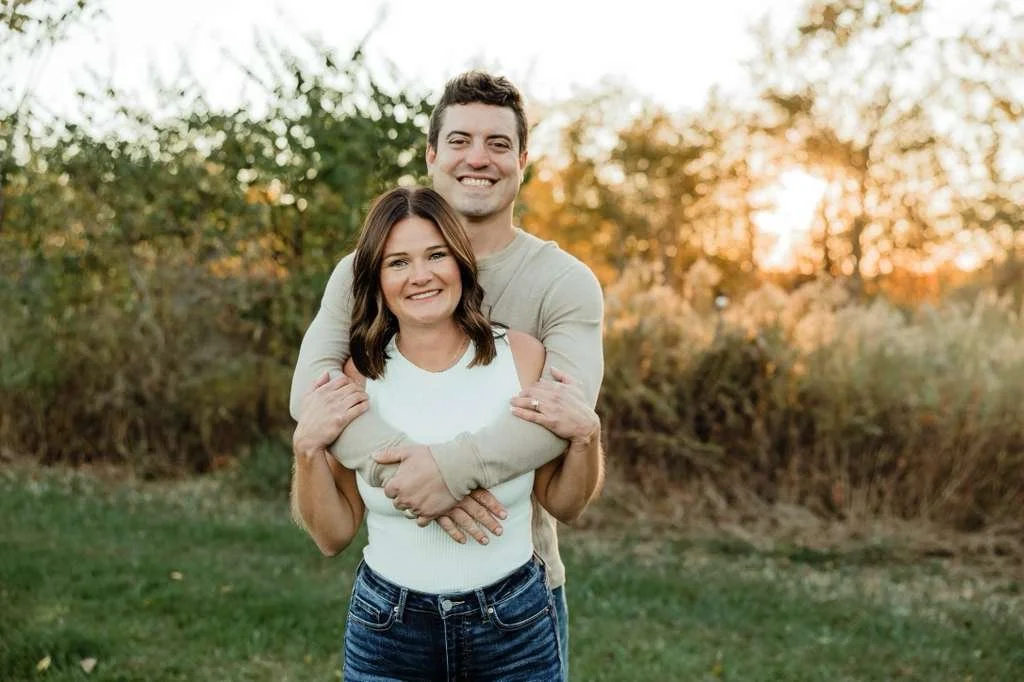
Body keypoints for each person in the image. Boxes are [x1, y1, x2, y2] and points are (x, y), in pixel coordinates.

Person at [289, 71, 605, 676]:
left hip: (520, 583)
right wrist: (409, 475)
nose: (477, 158)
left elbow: (560, 416)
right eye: (459, 140)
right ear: (431, 154)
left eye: (498, 143)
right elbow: (313, 392)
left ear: (523, 161)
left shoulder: (564, 284)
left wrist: (450, 472)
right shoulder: (362, 270)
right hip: (397, 601)